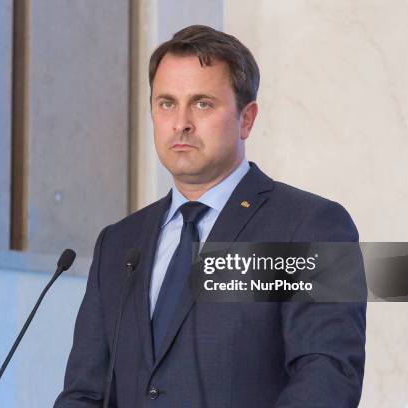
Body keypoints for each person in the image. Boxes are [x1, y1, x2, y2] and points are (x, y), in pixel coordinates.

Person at [54, 25, 366, 407]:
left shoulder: (309, 226)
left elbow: (326, 377)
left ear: (246, 119)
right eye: (166, 103)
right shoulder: (119, 243)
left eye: (202, 103)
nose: (181, 122)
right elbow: (85, 393)